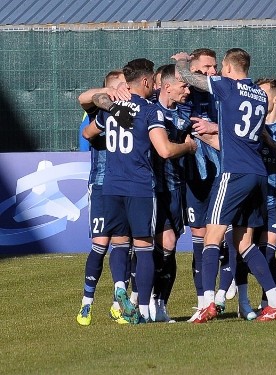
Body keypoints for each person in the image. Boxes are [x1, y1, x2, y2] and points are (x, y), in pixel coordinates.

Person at [174, 48, 276, 322]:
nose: (216, 72)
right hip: (257, 174)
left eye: (220, 67)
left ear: (228, 67)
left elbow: (191, 78)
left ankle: (206, 305)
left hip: (234, 172)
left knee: (211, 237)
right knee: (244, 243)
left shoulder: (227, 87)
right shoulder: (261, 95)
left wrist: (181, 61)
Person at [83, 58, 196, 323]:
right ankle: (143, 309)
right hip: (140, 187)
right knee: (145, 247)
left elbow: (88, 134)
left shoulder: (111, 108)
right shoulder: (149, 110)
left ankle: (120, 289)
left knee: (120, 244)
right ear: (146, 82)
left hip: (111, 187)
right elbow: (165, 150)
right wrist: (188, 147)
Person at [233, 77, 276, 319]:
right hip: (253, 197)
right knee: (244, 250)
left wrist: (270, 142)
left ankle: (267, 302)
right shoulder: (249, 124)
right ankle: (255, 297)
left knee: (266, 253)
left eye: (264, 94)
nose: (259, 99)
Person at [76, 70, 131, 325]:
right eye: (119, 85)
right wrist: (107, 95)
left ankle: (118, 305)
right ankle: (87, 303)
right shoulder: (97, 111)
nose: (124, 89)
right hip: (100, 185)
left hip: (124, 186)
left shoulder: (132, 110)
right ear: (108, 88)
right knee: (100, 244)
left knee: (123, 244)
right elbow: (82, 98)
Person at [148, 64, 192, 322]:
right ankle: (138, 300)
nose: (187, 89)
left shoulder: (185, 115)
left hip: (175, 188)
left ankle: (160, 302)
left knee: (170, 245)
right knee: (147, 246)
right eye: (183, 85)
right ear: (166, 87)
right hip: (149, 188)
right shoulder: (149, 110)